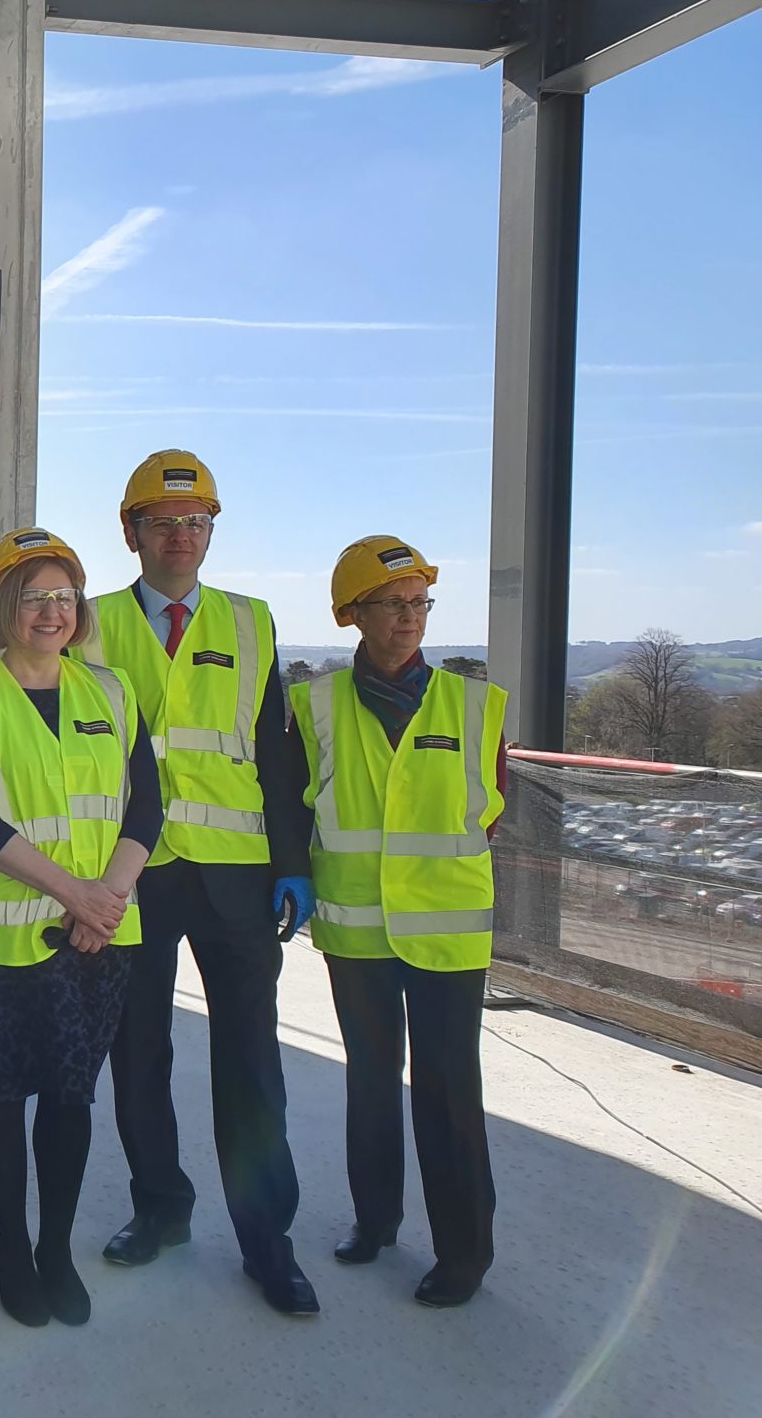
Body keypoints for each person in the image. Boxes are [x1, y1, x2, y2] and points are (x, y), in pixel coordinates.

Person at [78, 448, 320, 1316]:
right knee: (138, 1053)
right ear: (131, 532)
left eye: (196, 522)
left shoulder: (251, 621)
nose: (181, 537)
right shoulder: (91, 621)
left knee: (251, 1062)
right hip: (130, 872)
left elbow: (276, 752)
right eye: (164, 522)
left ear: (210, 532)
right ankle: (160, 1211)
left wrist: (294, 865)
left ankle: (269, 1243)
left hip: (237, 877)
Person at [0, 529, 161, 1328]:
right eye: (32, 597)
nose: (51, 612)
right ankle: (12, 1250)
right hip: (2, 946)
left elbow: (144, 807)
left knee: (70, 1101)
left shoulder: (113, 693)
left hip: (96, 943)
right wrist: (76, 896)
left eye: (63, 596)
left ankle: (56, 1248)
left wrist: (107, 900)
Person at [288, 536, 507, 1309]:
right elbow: (293, 804)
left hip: (448, 934)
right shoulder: (311, 704)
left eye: (419, 603)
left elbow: (490, 810)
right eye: (392, 604)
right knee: (372, 1082)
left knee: (448, 1088)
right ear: (353, 614)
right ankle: (374, 1219)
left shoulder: (478, 705)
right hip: (355, 930)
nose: (409, 618)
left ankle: (464, 1253)